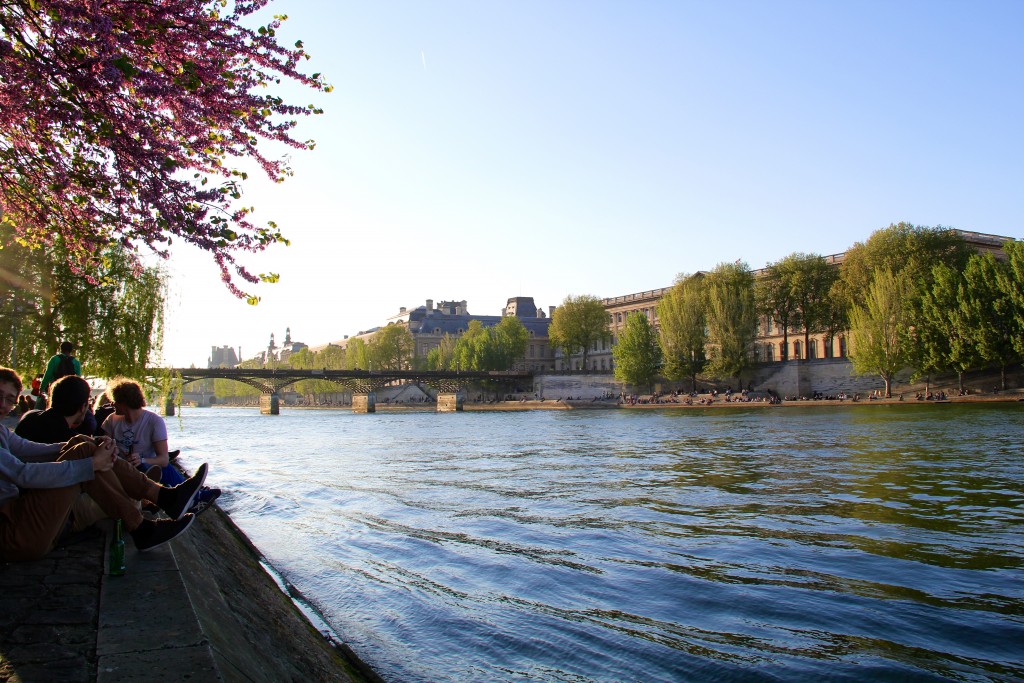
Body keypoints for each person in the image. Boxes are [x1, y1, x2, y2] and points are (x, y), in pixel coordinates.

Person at [0, 367, 208, 561]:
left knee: (84, 446)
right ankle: (157, 504)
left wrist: (88, 442)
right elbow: (21, 473)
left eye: (9, 400)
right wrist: (90, 463)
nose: (3, 404)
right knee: (86, 454)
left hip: (20, 519)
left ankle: (158, 504)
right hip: (13, 532)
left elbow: (29, 449)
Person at [100, 378, 184, 486]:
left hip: (146, 466)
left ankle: (194, 494)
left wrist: (142, 460)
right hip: (120, 467)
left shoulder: (154, 421)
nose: (112, 404)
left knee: (156, 467)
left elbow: (163, 460)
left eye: (114, 401)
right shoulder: (111, 420)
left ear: (124, 403)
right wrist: (112, 449)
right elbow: (105, 450)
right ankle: (194, 494)